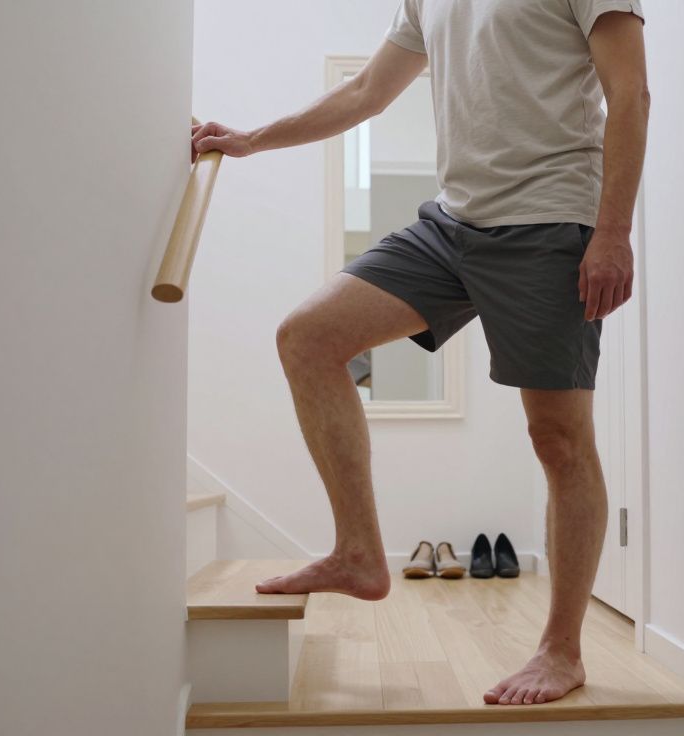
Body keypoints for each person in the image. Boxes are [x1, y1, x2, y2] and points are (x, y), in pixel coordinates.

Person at [192, 0, 650, 707]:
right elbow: (365, 92)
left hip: (551, 222)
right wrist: (252, 138)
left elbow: (630, 93)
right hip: (453, 223)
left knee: (558, 439)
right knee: (308, 337)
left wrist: (612, 232)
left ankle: (562, 649)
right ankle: (358, 553)